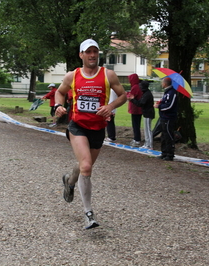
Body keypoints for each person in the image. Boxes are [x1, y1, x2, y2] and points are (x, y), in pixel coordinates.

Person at [54, 39, 127, 229]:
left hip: (97, 129)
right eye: (88, 52)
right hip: (77, 126)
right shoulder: (73, 75)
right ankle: (88, 213)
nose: (92, 55)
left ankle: (69, 182)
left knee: (83, 166)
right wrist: (59, 105)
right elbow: (59, 92)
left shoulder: (108, 74)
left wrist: (110, 106)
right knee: (86, 167)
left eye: (95, 51)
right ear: (81, 55)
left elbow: (123, 95)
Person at [154, 77, 178, 161]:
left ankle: (170, 154)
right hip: (163, 117)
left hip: (168, 118)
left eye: (162, 83)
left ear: (165, 83)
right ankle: (164, 152)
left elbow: (170, 106)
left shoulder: (172, 93)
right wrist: (161, 102)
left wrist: (159, 106)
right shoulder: (167, 93)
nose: (161, 84)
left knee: (168, 135)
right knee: (163, 136)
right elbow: (166, 102)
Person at [127, 80, 155, 149]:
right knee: (146, 129)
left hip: (148, 113)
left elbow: (140, 103)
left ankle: (149, 145)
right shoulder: (145, 93)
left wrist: (132, 99)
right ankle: (147, 143)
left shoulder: (147, 94)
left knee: (148, 129)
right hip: (146, 113)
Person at [127, 73, 142, 147]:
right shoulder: (137, 86)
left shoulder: (135, 87)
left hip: (136, 109)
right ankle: (136, 138)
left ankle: (137, 139)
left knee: (135, 124)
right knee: (136, 124)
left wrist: (127, 94)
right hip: (137, 109)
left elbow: (130, 96)